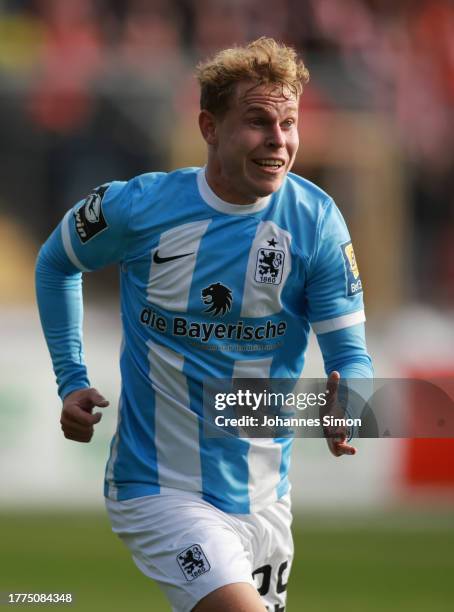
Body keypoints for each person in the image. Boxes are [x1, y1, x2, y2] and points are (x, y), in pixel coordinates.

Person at [36, 37, 373, 612]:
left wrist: (353, 401)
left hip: (266, 499)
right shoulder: (139, 208)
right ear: (209, 127)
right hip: (160, 489)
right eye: (258, 121)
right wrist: (70, 377)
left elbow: (351, 357)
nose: (278, 140)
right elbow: (56, 262)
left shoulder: (316, 220)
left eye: (289, 122)